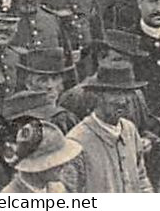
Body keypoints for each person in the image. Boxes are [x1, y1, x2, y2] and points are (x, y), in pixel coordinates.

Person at [66, 58, 154, 192]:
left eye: (127, 93)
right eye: (115, 93)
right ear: (97, 96)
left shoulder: (129, 130)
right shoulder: (77, 141)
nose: (123, 101)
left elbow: (141, 179)